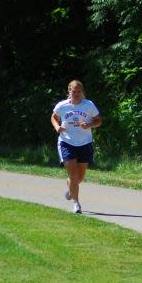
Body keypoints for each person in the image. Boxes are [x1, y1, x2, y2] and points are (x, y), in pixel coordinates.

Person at [51, 80, 102, 214]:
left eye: (79, 91)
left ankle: (71, 190)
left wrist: (89, 125)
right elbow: (54, 117)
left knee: (79, 178)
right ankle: (76, 203)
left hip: (85, 143)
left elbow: (99, 121)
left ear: (82, 92)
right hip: (66, 142)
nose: (76, 94)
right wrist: (57, 127)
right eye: (74, 91)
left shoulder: (88, 105)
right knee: (73, 176)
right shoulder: (62, 105)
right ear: (69, 91)